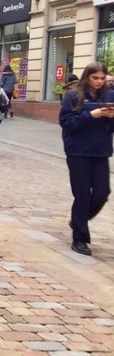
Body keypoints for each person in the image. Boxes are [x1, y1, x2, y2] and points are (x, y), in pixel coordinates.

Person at [58, 61, 114, 256]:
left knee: (102, 193)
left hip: (100, 151)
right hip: (78, 151)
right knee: (81, 195)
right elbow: (66, 123)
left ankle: (78, 221)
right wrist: (91, 115)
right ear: (87, 77)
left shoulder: (109, 95)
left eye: (102, 78)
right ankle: (80, 238)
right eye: (95, 78)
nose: (99, 82)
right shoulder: (73, 95)